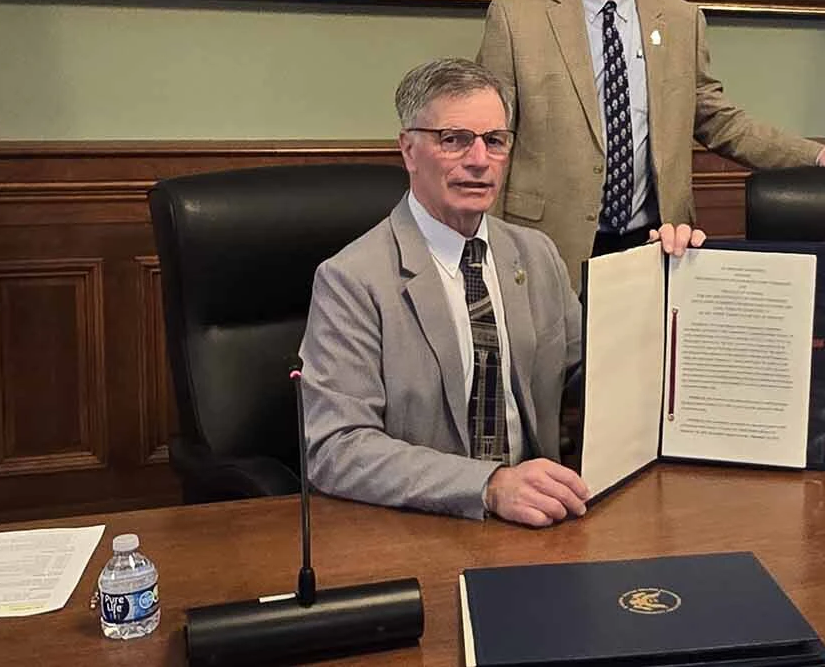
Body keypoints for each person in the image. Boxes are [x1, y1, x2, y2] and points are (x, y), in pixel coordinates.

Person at [298, 58, 705, 526]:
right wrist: (487, 485)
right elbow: (335, 448)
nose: (478, 160)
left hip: (547, 518)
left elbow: (588, 381)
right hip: (426, 523)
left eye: (494, 141)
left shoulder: (535, 254)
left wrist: (665, 286)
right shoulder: (352, 279)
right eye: (453, 140)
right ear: (408, 150)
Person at [477, 0, 825, 287]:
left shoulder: (681, 20)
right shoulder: (516, 18)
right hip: (546, 249)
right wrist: (483, 254)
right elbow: (487, 140)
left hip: (658, 247)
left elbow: (718, 119)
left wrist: (815, 156)